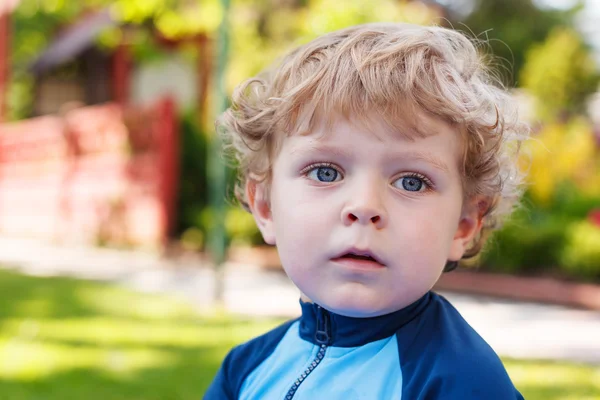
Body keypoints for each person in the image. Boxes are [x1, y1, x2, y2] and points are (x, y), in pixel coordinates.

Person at [205, 22, 528, 400]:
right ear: (265, 206)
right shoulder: (244, 371)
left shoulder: (461, 382)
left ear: (463, 224)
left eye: (411, 181)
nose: (364, 207)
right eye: (325, 172)